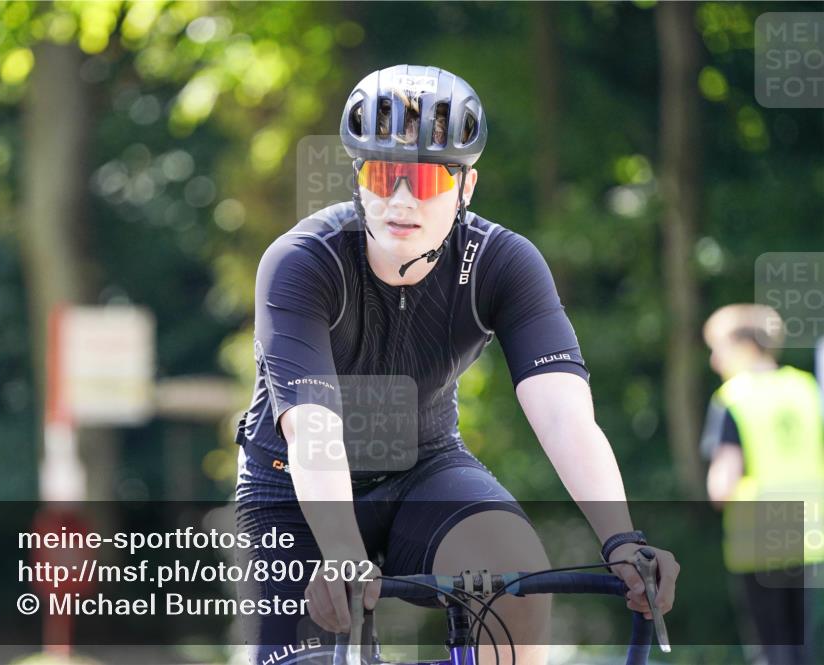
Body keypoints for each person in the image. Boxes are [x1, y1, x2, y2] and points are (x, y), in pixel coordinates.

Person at [234, 64, 679, 665]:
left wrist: (621, 539)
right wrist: (341, 550)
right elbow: (313, 428)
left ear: (467, 187)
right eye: (384, 173)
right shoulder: (302, 262)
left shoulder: (503, 262)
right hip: (294, 482)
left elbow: (565, 416)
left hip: (424, 469)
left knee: (515, 578)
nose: (400, 200)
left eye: (427, 181)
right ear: (359, 178)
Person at [701, 304, 824, 665]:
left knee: (770, 651)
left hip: (758, 538)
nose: (714, 360)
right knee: (802, 647)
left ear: (745, 345)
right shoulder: (805, 389)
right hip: (808, 535)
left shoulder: (733, 397)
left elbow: (721, 486)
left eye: (718, 347)